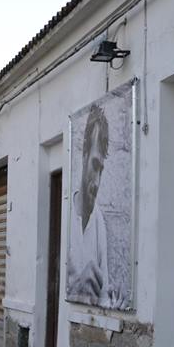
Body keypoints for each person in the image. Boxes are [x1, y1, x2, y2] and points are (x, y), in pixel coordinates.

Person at [67, 103, 117, 307]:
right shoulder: (66, 213)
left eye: (101, 170)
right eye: (95, 165)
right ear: (83, 155)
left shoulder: (99, 223)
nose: (97, 181)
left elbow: (104, 295)